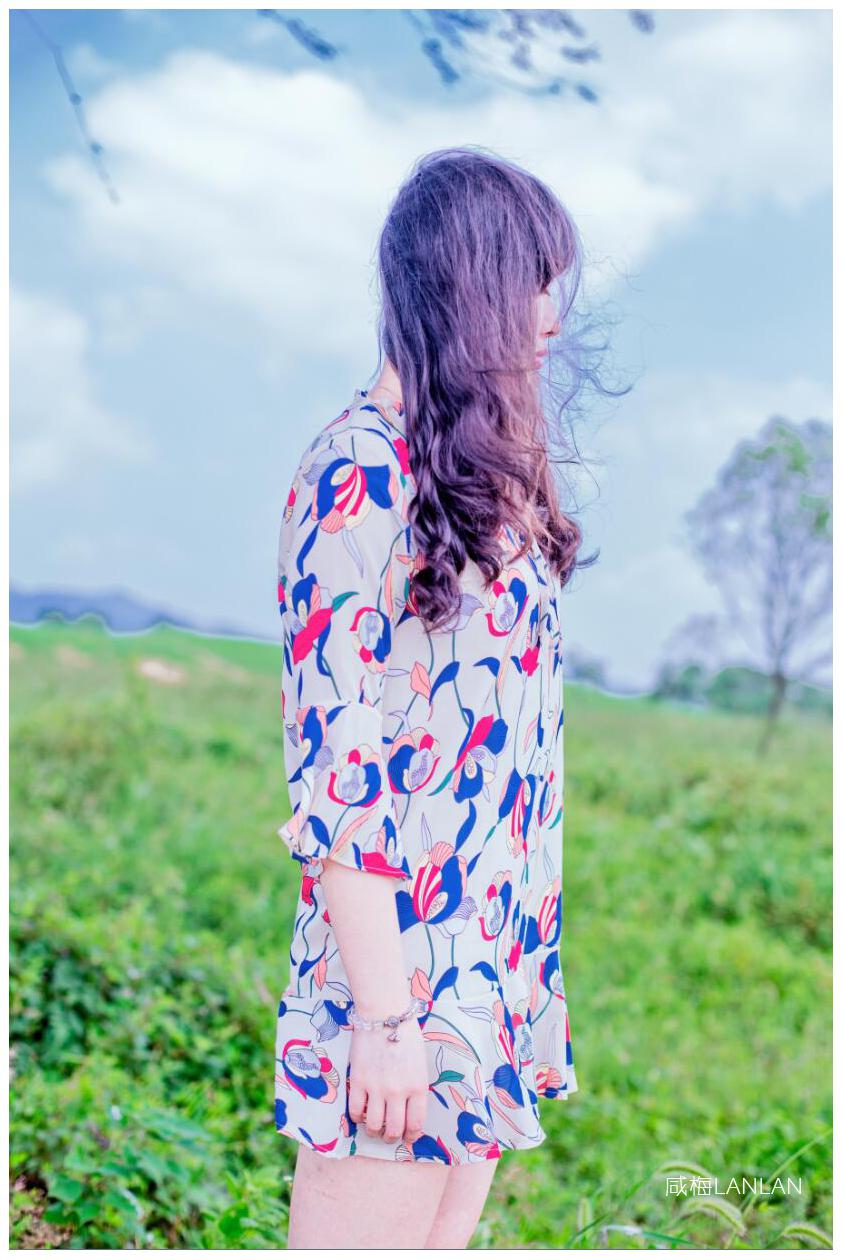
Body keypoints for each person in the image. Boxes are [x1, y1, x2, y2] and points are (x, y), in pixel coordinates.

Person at [273, 147, 589, 1249]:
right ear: (469, 284)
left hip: (491, 953)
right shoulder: (356, 474)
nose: (550, 313)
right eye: (530, 279)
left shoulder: (476, 476)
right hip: (401, 971)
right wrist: (386, 1019)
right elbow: (336, 768)